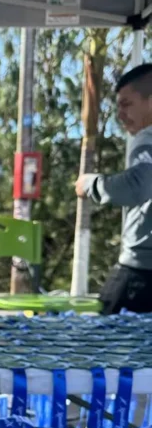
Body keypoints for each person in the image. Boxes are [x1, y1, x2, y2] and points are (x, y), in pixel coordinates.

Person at [76, 63, 152, 314]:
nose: (120, 114)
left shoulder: (147, 140)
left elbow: (138, 185)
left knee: (102, 346)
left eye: (126, 104)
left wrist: (90, 184)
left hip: (140, 275)